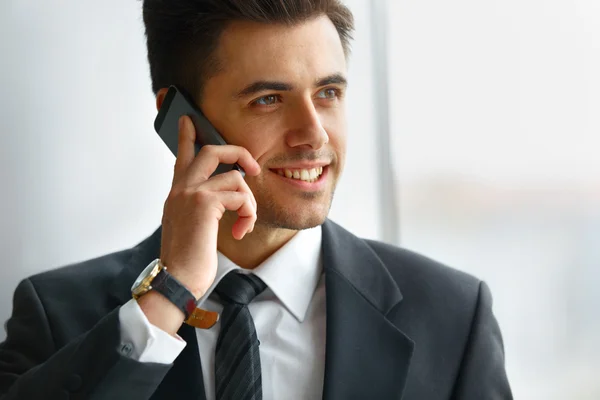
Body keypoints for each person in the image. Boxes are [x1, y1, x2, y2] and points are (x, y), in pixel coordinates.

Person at [0, 1, 512, 399]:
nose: (313, 135)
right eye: (268, 99)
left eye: (329, 93)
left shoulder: (452, 316)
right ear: (181, 117)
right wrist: (169, 295)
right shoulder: (57, 317)